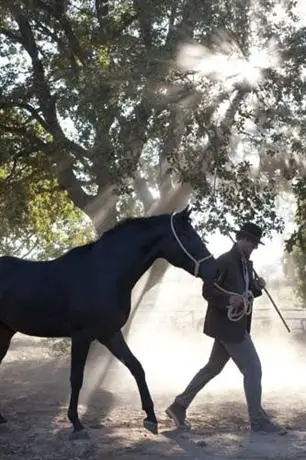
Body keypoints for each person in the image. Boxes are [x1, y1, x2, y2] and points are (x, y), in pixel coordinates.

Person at [166, 222, 286, 434]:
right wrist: (229, 299)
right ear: (241, 239)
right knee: (253, 369)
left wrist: (255, 289)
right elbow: (208, 290)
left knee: (212, 368)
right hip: (228, 328)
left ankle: (178, 406)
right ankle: (258, 422)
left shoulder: (246, 265)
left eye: (255, 244)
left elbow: (244, 294)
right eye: (251, 242)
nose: (253, 247)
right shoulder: (224, 261)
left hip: (235, 327)